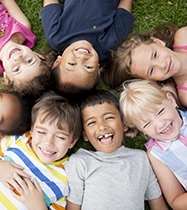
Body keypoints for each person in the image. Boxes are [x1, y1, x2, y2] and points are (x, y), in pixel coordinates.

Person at [0, 91, 82, 210]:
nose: (48, 142)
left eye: (60, 137)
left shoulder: (66, 179)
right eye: (41, 132)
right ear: (32, 131)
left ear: (72, 142)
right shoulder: (19, 141)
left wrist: (38, 206)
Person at [64, 90, 168, 210]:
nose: (102, 126)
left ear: (124, 124)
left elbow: (158, 205)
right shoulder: (80, 161)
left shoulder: (141, 159)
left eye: (109, 118)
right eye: (92, 122)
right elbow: (73, 206)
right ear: (85, 135)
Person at [40, 0, 134, 95]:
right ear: (98, 70)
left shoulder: (56, 38)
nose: (82, 57)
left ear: (57, 62)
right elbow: (123, 15)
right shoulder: (107, 46)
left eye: (72, 64)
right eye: (88, 67)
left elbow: (50, 4)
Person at [119, 79, 187, 209]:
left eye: (160, 111)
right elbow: (175, 200)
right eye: (147, 124)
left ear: (171, 101)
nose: (160, 124)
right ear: (141, 130)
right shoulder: (156, 154)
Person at [102, 23, 187, 107]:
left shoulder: (183, 36)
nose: (162, 65)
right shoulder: (185, 95)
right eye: (151, 70)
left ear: (157, 42)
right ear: (151, 80)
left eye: (155, 55)